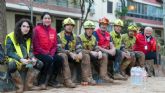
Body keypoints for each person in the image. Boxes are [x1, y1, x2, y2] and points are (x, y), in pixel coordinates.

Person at [5, 19, 43, 93]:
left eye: (28, 27)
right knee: (11, 65)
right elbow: (9, 52)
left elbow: (31, 51)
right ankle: (19, 87)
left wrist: (32, 58)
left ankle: (28, 86)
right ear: (19, 27)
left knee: (39, 63)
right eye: (24, 26)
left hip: (27, 63)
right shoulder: (11, 36)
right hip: (17, 61)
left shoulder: (29, 37)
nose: (26, 28)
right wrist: (20, 59)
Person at [58, 17, 95, 85]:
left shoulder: (76, 37)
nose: (69, 27)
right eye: (67, 25)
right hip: (63, 54)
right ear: (64, 26)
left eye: (71, 25)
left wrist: (80, 53)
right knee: (63, 56)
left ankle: (86, 78)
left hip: (74, 55)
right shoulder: (59, 36)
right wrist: (69, 53)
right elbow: (59, 49)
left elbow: (79, 47)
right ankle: (67, 80)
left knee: (86, 56)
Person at [33, 12, 63, 89]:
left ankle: (52, 80)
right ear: (42, 19)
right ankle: (41, 82)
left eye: (49, 18)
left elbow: (54, 45)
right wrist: (46, 54)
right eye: (45, 18)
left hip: (50, 53)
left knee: (60, 59)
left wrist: (52, 54)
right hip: (38, 53)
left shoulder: (53, 31)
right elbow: (36, 46)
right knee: (48, 60)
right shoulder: (36, 29)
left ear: (51, 20)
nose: (47, 20)